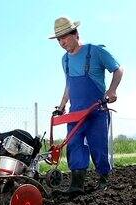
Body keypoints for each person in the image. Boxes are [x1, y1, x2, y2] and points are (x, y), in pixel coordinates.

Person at [49, 16, 124, 193]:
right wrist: (61, 106)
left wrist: (112, 91)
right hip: (75, 113)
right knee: (74, 145)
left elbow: (118, 70)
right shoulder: (64, 60)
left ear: (76, 34)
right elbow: (69, 85)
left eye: (64, 37)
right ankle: (76, 185)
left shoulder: (96, 51)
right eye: (59, 39)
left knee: (98, 146)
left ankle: (103, 180)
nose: (61, 42)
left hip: (96, 110)